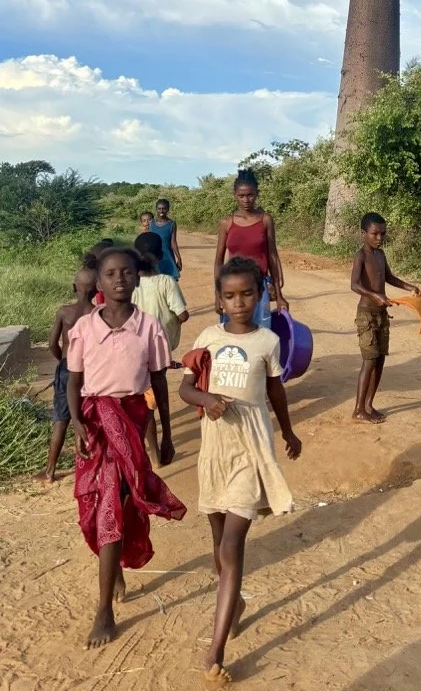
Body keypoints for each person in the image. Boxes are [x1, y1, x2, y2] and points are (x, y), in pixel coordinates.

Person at [180, 256, 301, 685]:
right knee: (217, 541)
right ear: (218, 299)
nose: (239, 302)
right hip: (215, 449)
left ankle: (215, 649)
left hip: (251, 445)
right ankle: (235, 605)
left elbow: (274, 390)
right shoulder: (207, 337)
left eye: (247, 294)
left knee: (232, 544)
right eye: (230, 295)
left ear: (259, 294)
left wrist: (288, 432)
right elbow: (185, 387)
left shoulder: (268, 341)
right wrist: (205, 400)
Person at [67, 246, 185, 649]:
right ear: (98, 283)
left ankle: (108, 589)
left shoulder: (149, 327)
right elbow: (72, 379)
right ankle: (107, 592)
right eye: (111, 273)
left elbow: (159, 383)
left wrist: (167, 435)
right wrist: (77, 424)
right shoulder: (84, 328)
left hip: (133, 421)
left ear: (138, 278)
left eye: (127, 272)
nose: (120, 279)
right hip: (97, 425)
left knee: (123, 502)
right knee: (100, 504)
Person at [351, 213, 421, 423]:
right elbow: (354, 285)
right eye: (374, 234)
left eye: (383, 233)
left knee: (380, 359)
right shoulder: (361, 256)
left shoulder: (380, 255)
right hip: (367, 315)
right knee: (369, 361)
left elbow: (389, 277)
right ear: (364, 234)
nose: (379, 238)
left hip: (382, 313)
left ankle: (369, 405)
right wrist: (375, 296)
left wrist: (410, 287)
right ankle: (358, 409)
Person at [133, 231, 190, 463]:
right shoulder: (166, 281)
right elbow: (183, 315)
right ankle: (167, 437)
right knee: (159, 394)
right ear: (160, 255)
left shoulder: (130, 284)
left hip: (134, 350)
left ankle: (153, 452)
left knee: (144, 399)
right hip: (159, 349)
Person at [38, 265, 98, 482]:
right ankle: (93, 465)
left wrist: (63, 360)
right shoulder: (97, 313)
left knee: (61, 419)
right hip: (91, 370)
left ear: (74, 287)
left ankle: (50, 471)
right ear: (97, 290)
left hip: (66, 369)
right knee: (89, 416)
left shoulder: (65, 312)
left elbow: (52, 342)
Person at [213, 169, 288, 330]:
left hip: (259, 288)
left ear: (257, 194)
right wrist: (218, 294)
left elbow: (272, 256)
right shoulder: (226, 223)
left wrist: (279, 296)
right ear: (235, 195)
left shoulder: (265, 220)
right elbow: (218, 262)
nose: (246, 200)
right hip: (232, 287)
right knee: (233, 336)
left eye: (250, 195)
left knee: (262, 333)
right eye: (241, 196)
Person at [150, 198, 184, 279]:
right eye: (159, 209)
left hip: (168, 257)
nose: (161, 211)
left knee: (170, 281)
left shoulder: (171, 224)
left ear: (168, 209)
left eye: (164, 208)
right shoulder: (152, 223)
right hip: (155, 257)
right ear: (156, 209)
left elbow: (173, 242)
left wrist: (179, 258)